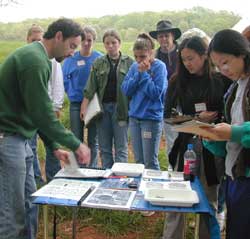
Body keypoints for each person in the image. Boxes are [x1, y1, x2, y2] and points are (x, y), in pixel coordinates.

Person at [0, 18, 90, 239]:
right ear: (58, 36)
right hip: (8, 139)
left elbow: (33, 111)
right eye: (71, 46)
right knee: (12, 214)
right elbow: (43, 114)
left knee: (31, 201)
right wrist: (76, 144)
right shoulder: (34, 61)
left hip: (21, 140)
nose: (72, 53)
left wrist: (53, 146)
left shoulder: (42, 60)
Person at [162, 36, 231, 239]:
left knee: (209, 199)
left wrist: (216, 117)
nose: (187, 63)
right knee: (177, 195)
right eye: (183, 59)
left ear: (204, 56)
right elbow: (168, 115)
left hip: (213, 147)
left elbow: (231, 114)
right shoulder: (177, 81)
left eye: (191, 58)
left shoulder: (221, 80)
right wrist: (193, 119)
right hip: (185, 146)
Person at [202, 29, 250, 239]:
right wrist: (213, 138)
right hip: (234, 175)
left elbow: (237, 132)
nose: (223, 70)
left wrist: (234, 132)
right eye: (217, 65)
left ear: (242, 53)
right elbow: (232, 135)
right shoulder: (236, 87)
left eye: (226, 62)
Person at [80, 29, 134, 168]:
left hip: (121, 109)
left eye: (113, 43)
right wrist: (84, 106)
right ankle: (107, 177)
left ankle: (121, 177)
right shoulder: (99, 62)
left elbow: (135, 87)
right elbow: (90, 87)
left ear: (119, 43)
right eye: (107, 43)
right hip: (103, 109)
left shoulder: (129, 63)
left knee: (121, 147)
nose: (111, 46)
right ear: (104, 45)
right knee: (104, 148)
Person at [121, 33, 167, 170]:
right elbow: (125, 89)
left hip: (151, 119)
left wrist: (144, 75)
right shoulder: (135, 67)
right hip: (134, 118)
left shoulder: (160, 67)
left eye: (143, 57)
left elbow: (155, 93)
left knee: (150, 162)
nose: (139, 60)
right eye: (136, 57)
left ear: (151, 53)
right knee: (139, 161)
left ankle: (154, 189)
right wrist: (138, 75)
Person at [26, 24, 65, 182]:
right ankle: (35, 178)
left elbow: (57, 83)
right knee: (31, 146)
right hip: (28, 110)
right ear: (27, 40)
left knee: (52, 144)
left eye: (39, 40)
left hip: (47, 107)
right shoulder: (25, 58)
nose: (36, 43)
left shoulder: (52, 60)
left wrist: (56, 106)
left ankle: (54, 176)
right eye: (33, 40)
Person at [63, 26, 102, 168]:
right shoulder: (71, 59)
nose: (86, 43)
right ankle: (78, 170)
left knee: (93, 140)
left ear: (94, 41)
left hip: (93, 104)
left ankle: (92, 169)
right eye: (84, 40)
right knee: (76, 139)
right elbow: (65, 80)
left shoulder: (99, 58)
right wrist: (71, 93)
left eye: (90, 40)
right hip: (75, 104)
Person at [149, 20, 182, 162]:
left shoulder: (183, 52)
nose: (163, 39)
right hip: (163, 102)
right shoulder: (154, 57)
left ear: (172, 36)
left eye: (166, 35)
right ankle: (172, 168)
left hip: (182, 100)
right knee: (170, 139)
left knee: (185, 138)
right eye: (160, 36)